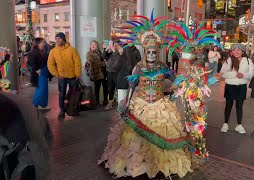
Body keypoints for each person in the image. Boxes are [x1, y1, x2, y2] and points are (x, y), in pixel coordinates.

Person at [98, 31, 192, 179]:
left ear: (158, 52)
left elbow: (177, 80)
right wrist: (127, 103)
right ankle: (139, 162)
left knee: (164, 131)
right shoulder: (138, 68)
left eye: (154, 52)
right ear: (145, 52)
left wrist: (182, 79)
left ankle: (161, 163)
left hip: (160, 105)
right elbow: (132, 86)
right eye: (149, 52)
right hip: (140, 105)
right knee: (134, 138)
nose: (152, 55)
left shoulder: (164, 67)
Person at [0, 92, 52, 180]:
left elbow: (42, 159)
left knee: (33, 167)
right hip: (11, 139)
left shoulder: (28, 123)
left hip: (35, 140)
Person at [218, 44, 253, 134]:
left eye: (238, 50)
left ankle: (239, 125)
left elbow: (251, 74)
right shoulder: (228, 60)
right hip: (230, 87)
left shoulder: (248, 61)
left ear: (243, 51)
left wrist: (244, 75)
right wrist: (234, 74)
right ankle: (225, 123)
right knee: (228, 106)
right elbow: (222, 74)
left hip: (241, 87)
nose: (236, 52)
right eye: (234, 50)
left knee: (239, 106)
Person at [47, 32, 82, 121]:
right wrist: (56, 74)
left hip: (73, 77)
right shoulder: (53, 51)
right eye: (56, 38)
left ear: (64, 39)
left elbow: (77, 63)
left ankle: (71, 109)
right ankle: (62, 110)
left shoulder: (72, 50)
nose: (57, 40)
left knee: (73, 94)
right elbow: (50, 64)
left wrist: (77, 74)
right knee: (61, 94)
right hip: (61, 77)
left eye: (59, 38)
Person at [29, 38, 51, 110]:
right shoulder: (34, 52)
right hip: (39, 73)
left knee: (41, 89)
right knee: (42, 89)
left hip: (43, 72)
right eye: (42, 42)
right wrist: (37, 70)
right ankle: (37, 104)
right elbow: (31, 62)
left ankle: (41, 104)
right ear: (38, 44)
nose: (43, 44)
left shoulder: (41, 51)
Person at [85, 40, 108, 106]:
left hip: (103, 73)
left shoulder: (100, 52)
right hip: (96, 73)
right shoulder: (89, 53)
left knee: (105, 87)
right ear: (90, 46)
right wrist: (104, 63)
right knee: (97, 88)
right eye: (92, 44)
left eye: (94, 44)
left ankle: (105, 100)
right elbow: (93, 62)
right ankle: (97, 102)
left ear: (97, 46)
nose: (93, 45)